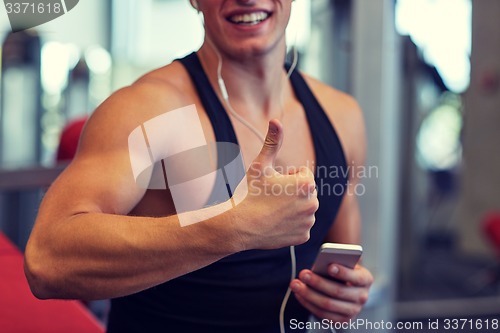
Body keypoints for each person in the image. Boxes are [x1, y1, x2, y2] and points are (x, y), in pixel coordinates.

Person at [24, 0, 373, 332]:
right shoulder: (149, 108)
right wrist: (235, 226)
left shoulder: (342, 115)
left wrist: (342, 294)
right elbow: (48, 259)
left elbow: (339, 260)